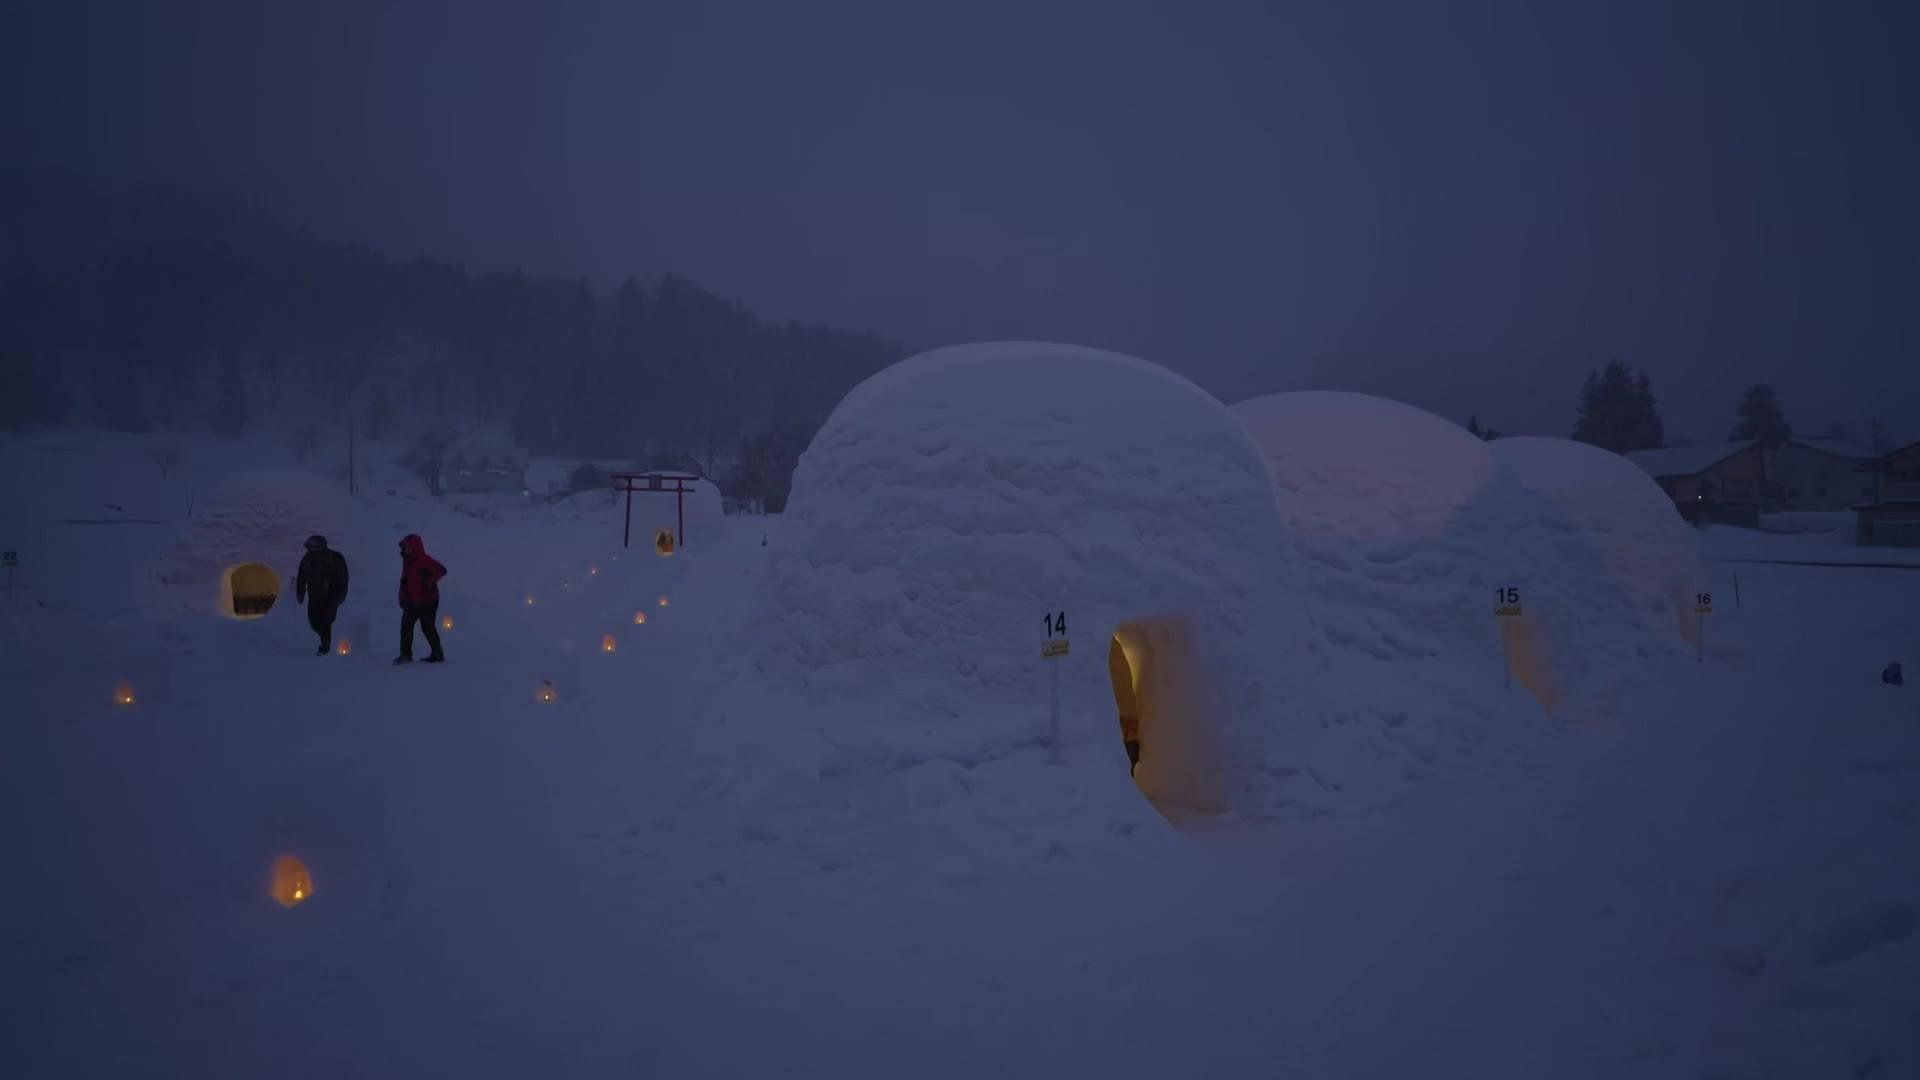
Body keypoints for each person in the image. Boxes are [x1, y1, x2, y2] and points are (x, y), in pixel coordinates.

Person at [393, 533, 447, 664]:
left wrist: (430, 580)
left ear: (415, 547)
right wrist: (402, 598)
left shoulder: (424, 560)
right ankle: (406, 655)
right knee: (406, 627)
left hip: (428, 601)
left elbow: (442, 570)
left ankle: (437, 654)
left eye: (408, 547)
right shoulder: (407, 562)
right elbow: (404, 581)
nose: (406, 550)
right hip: (412, 601)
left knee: (427, 627)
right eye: (405, 547)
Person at [294, 534, 350, 655]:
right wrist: (300, 593)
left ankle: (325, 646)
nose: (311, 550)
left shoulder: (334, 558)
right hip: (314, 595)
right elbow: (302, 577)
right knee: (314, 622)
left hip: (331, 596)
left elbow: (343, 578)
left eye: (313, 547)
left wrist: (341, 594)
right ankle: (324, 641)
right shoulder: (307, 559)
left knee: (326, 621)